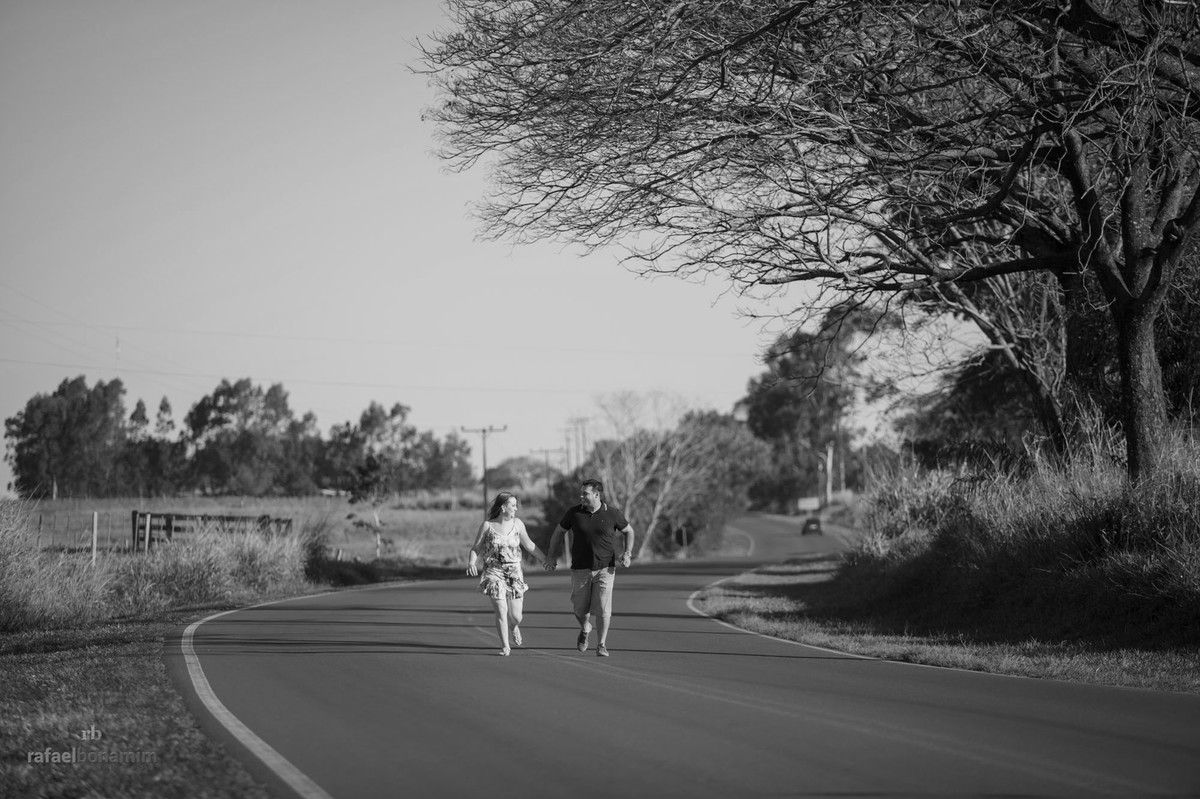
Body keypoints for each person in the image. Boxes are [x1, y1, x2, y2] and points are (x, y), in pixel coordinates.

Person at [543, 478, 635, 657]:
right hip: (580, 569)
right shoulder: (574, 513)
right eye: (581, 493)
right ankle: (585, 628)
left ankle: (601, 644)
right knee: (579, 609)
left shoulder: (613, 514)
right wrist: (551, 556)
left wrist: (628, 553)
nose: (581, 496)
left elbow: (629, 531)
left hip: (605, 568)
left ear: (596, 494)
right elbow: (558, 532)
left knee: (603, 607)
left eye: (585, 493)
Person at [467, 491, 548, 656]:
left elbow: (529, 545)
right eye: (513, 505)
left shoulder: (517, 524)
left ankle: (514, 626)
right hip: (493, 571)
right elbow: (476, 547)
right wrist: (471, 562)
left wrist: (544, 559)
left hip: (514, 572)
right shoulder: (487, 526)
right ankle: (505, 646)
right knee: (501, 609)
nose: (516, 508)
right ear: (503, 507)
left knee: (516, 616)